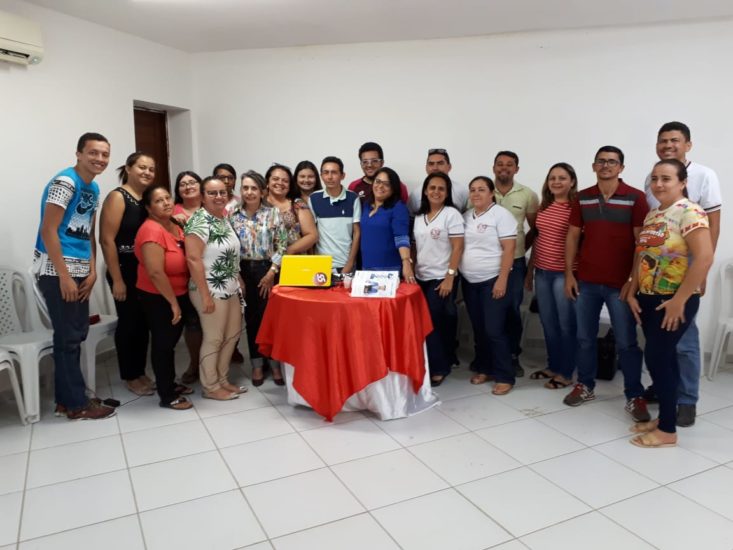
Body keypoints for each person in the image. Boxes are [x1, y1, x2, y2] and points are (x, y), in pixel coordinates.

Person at [626, 159, 713, 447]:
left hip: (673, 301)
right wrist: (633, 290)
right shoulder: (654, 214)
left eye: (666, 178)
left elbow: (704, 257)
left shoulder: (690, 212)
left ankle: (667, 431)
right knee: (664, 360)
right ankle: (666, 417)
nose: (659, 184)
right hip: (649, 298)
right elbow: (641, 254)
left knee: (657, 359)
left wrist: (680, 300)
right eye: (655, 178)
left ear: (682, 182)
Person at [641, 121, 723, 427]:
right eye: (662, 140)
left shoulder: (704, 176)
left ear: (688, 144)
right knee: (660, 341)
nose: (668, 145)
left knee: (685, 339)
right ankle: (664, 389)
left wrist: (702, 270)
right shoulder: (652, 178)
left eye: (674, 140)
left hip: (686, 268)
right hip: (657, 273)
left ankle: (686, 399)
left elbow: (713, 225)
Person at [563, 146, 650, 422]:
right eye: (601, 161)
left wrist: (632, 281)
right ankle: (585, 385)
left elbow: (642, 243)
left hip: (620, 285)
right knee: (584, 338)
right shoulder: (583, 197)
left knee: (627, 342)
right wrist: (569, 274)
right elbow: (572, 236)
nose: (606, 166)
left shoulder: (635, 198)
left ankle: (634, 395)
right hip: (587, 282)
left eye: (612, 162)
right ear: (593, 166)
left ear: (621, 168)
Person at [33, 133, 115, 420]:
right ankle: (77, 404)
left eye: (105, 154)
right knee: (68, 337)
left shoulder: (93, 187)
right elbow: (48, 230)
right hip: (57, 271)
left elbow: (88, 233)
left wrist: (92, 271)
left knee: (77, 333)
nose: (100, 159)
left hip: (80, 270)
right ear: (79, 153)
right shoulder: (65, 182)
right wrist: (64, 276)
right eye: (93, 152)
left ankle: (66, 399)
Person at [185, 176, 246, 400]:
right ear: (202, 197)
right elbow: (193, 259)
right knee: (214, 338)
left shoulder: (222, 218)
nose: (218, 197)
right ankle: (210, 387)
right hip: (209, 289)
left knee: (232, 335)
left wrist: (238, 279)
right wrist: (205, 296)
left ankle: (222, 380)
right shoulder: (199, 221)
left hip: (230, 286)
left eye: (222, 192)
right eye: (212, 193)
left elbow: (230, 253)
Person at [134, 186, 195, 410]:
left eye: (167, 198)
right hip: (158, 296)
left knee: (170, 342)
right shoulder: (151, 230)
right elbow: (155, 272)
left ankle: (169, 383)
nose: (166, 203)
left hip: (179, 291)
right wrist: (173, 303)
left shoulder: (174, 224)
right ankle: (167, 395)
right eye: (159, 201)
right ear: (149, 208)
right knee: (163, 344)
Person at [99, 152, 155, 396]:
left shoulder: (145, 198)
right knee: (129, 323)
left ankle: (140, 371)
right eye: (142, 167)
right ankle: (130, 375)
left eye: (151, 169)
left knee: (143, 323)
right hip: (123, 269)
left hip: (143, 270)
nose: (147, 172)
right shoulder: (118, 197)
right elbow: (106, 240)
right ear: (129, 168)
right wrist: (118, 279)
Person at [460, 176, 517, 395]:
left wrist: (502, 279)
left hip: (493, 280)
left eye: (481, 189)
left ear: (491, 193)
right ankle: (485, 368)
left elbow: (509, 249)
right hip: (470, 281)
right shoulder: (466, 216)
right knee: (479, 328)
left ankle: (504, 376)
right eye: (473, 189)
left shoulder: (501, 215)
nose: (476, 193)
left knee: (495, 329)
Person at [230, 170, 288, 386]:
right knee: (252, 318)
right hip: (243, 270)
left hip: (268, 269)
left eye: (254, 188)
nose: (249, 192)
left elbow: (282, 245)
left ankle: (274, 364)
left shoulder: (273, 213)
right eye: (245, 187)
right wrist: (238, 276)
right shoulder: (232, 214)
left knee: (270, 319)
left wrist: (272, 272)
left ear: (263, 191)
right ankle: (256, 364)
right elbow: (229, 248)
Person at [525, 163, 578, 389]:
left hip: (563, 275)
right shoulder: (544, 207)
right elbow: (538, 239)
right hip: (542, 272)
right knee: (548, 322)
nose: (556, 182)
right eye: (552, 178)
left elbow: (578, 242)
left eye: (562, 178)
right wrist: (530, 271)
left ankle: (566, 372)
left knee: (566, 324)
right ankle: (553, 366)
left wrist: (570, 275)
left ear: (572, 182)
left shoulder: (575, 208)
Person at [413, 171, 464, 386]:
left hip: (441, 277)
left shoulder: (451, 214)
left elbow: (458, 247)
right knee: (424, 322)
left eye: (441, 188)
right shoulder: (418, 217)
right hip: (420, 277)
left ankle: (439, 368)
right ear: (425, 191)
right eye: (432, 188)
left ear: (447, 192)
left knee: (432, 322)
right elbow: (416, 246)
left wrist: (449, 277)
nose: (436, 192)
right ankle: (432, 362)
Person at [492, 151, 539, 377]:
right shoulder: (481, 191)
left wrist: (521, 249)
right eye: (500, 164)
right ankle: (488, 355)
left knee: (511, 309)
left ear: (516, 169)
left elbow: (536, 229)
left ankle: (512, 355)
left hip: (515, 262)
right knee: (489, 310)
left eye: (509, 165)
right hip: (486, 263)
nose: (504, 168)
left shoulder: (528, 195)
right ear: (493, 168)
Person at [172, 170, 204, 385]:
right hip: (185, 275)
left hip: (213, 272)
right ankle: (194, 364)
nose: (188, 186)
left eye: (192, 182)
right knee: (193, 323)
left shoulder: (211, 208)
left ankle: (215, 364)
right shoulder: (172, 212)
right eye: (183, 184)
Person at [360, 167, 415, 278]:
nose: (380, 186)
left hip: (389, 270)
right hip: (366, 267)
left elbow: (402, 237)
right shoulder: (366, 205)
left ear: (393, 188)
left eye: (386, 184)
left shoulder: (398, 208)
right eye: (378, 181)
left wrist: (406, 262)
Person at [309, 156, 361, 274]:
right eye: (326, 172)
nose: (329, 177)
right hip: (321, 264)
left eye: (334, 172)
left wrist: (350, 263)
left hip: (345, 264)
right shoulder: (314, 198)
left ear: (342, 175)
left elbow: (357, 233)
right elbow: (311, 233)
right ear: (321, 175)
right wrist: (313, 261)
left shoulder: (353, 198)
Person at [265, 163, 318, 254]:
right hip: (261, 259)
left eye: (285, 181)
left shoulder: (298, 205)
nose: (280, 183)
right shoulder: (257, 203)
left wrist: (286, 252)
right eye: (275, 179)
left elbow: (312, 236)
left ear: (290, 185)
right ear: (267, 182)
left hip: (293, 259)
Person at [408, 148, 469, 214]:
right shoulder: (415, 194)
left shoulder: (463, 191)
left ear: (449, 167)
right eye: (431, 164)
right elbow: (412, 217)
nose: (435, 168)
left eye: (440, 163)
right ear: (426, 168)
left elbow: (467, 216)